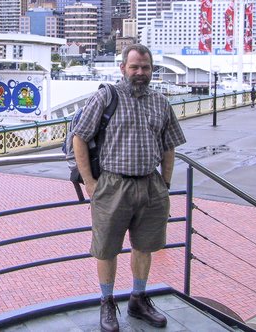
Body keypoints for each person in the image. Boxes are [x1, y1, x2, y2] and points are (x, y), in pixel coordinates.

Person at [72, 44, 186, 331]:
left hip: (150, 185)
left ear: (151, 70)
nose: (140, 72)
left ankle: (138, 298)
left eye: (145, 67)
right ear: (123, 68)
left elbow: (169, 145)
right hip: (113, 185)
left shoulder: (161, 102)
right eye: (134, 66)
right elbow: (79, 138)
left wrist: (166, 182)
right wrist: (90, 183)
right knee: (107, 249)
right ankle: (107, 302)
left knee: (144, 246)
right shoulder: (106, 97)